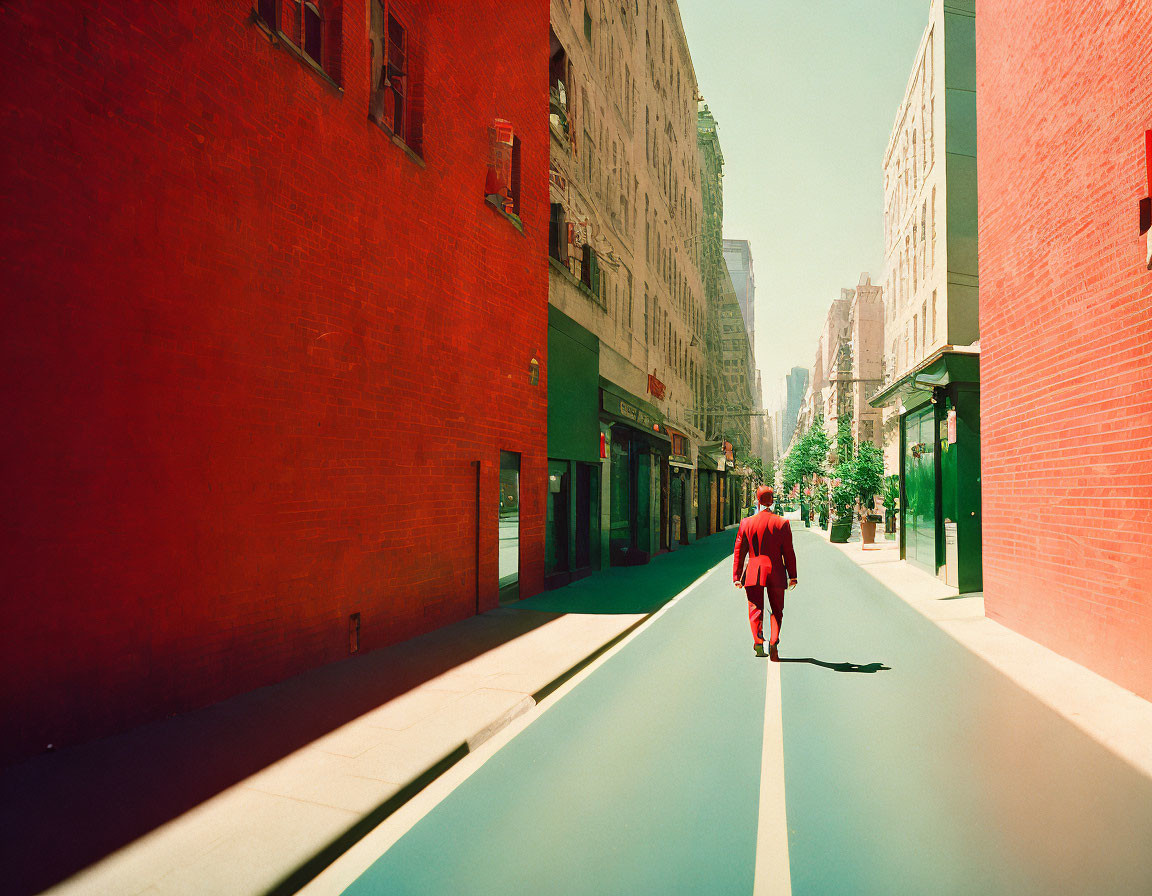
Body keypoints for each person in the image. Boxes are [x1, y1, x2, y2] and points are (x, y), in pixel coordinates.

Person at [733, 486, 798, 659]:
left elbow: (739, 551)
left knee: (755, 608)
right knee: (777, 609)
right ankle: (774, 641)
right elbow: (788, 552)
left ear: (757, 500)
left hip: (754, 570)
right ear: (772, 501)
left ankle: (758, 641)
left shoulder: (747, 523)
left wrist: (737, 576)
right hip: (776, 570)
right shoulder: (782, 523)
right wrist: (793, 575)